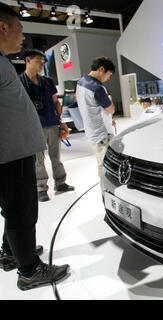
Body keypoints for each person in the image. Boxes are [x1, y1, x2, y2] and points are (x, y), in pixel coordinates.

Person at [0, 3, 69, 291]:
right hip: (10, 154)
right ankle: (29, 271)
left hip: (14, 151)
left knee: (16, 209)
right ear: (2, 27)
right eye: (20, 28)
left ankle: (11, 254)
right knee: (21, 211)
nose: (22, 36)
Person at [20, 49, 75, 202]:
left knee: (56, 157)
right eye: (38, 61)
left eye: (43, 62)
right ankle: (41, 188)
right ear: (28, 60)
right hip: (33, 127)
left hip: (52, 123)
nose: (41, 65)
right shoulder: (20, 82)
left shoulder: (47, 81)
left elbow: (56, 101)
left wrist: (61, 121)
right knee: (38, 160)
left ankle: (61, 182)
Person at [76, 56, 116, 176]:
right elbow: (111, 109)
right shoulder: (97, 88)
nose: (108, 78)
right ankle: (105, 191)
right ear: (101, 69)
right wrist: (110, 98)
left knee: (101, 162)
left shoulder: (81, 82)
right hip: (102, 134)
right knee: (105, 166)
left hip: (91, 131)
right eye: (109, 74)